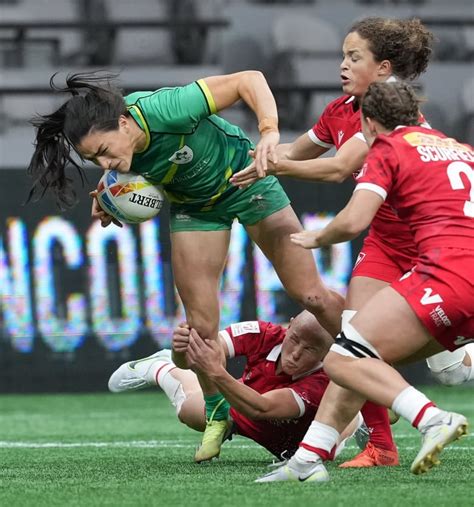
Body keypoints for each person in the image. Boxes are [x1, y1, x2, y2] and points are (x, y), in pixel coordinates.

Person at [26, 70, 344, 463]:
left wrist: (270, 132)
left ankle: (376, 378)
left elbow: (251, 79)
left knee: (312, 295)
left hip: (248, 183)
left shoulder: (167, 109)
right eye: (93, 159)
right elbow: (123, 169)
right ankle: (215, 412)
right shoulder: (120, 151)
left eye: (105, 151)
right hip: (196, 210)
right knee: (201, 325)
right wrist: (108, 191)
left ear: (124, 122)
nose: (104, 162)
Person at [232, 16, 474, 468]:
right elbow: (297, 151)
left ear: (383, 69)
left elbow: (337, 168)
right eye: (343, 54)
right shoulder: (342, 109)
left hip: (426, 246)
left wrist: (279, 176)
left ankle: (454, 366)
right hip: (385, 241)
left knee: (369, 351)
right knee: (352, 339)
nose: (342, 65)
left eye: (354, 57)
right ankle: (379, 446)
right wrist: (246, 155)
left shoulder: (393, 124)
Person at [108, 311, 363, 461]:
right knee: (189, 411)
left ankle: (361, 416)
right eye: (294, 339)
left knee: (329, 443)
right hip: (244, 405)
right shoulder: (263, 333)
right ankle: (161, 367)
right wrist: (180, 351)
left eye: (310, 349)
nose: (295, 353)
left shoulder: (322, 379)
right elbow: (205, 350)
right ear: (291, 323)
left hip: (267, 411)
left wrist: (217, 373)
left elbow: (263, 408)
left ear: (328, 351)